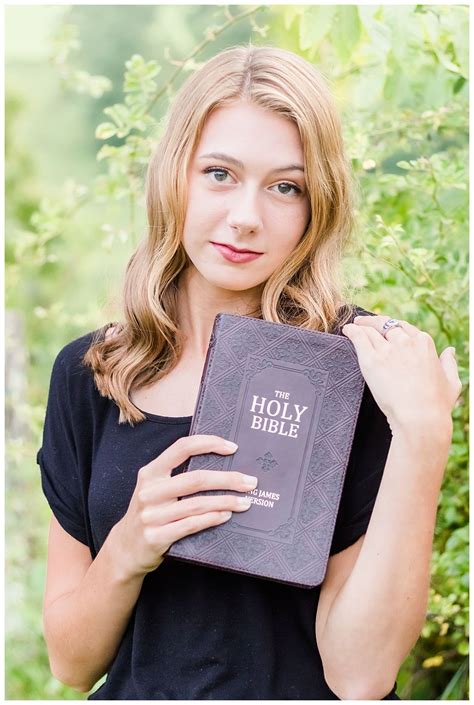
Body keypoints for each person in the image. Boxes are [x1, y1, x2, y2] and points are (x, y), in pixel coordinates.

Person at [37, 45, 461, 700]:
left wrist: (425, 437)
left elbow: (361, 675)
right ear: (174, 173)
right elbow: (70, 662)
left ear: (315, 204)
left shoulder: (357, 370)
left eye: (284, 186)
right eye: (219, 173)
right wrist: (130, 544)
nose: (245, 216)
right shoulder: (90, 373)